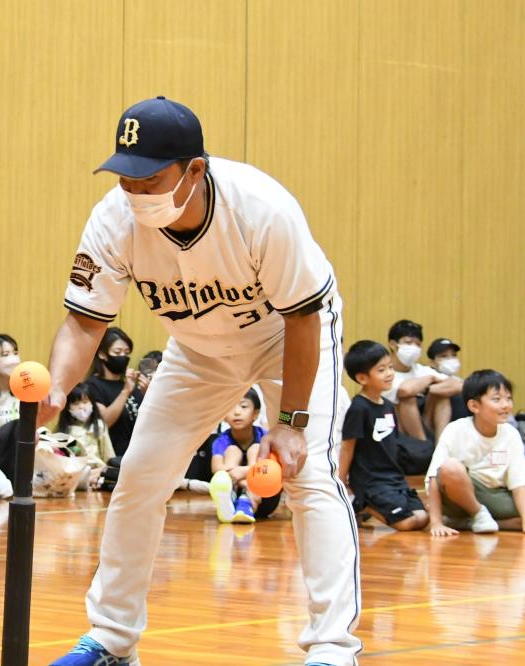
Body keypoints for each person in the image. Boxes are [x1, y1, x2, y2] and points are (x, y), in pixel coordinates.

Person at [43, 97, 360, 666]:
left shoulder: (262, 209)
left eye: (150, 178)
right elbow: (85, 321)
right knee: (139, 475)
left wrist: (289, 422)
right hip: (197, 350)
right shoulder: (114, 220)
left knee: (309, 476)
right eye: (125, 178)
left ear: (195, 168)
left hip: (289, 338)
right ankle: (113, 641)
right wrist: (58, 390)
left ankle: (333, 648)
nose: (135, 193)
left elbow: (303, 315)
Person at [339, 341, 428, 532]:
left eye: (390, 367)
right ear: (362, 378)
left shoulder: (388, 406)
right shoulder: (358, 408)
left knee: (422, 518)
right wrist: (340, 482)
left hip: (394, 478)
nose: (389, 373)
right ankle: (360, 503)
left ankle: (363, 507)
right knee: (407, 523)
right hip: (370, 481)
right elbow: (348, 446)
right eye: (381, 370)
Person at [425, 370, 523, 536]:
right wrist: (435, 522)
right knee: (450, 467)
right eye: (497, 399)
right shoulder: (456, 430)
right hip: (460, 496)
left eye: (508, 398)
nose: (506, 405)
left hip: (496, 495)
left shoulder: (511, 434)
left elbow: (519, 483)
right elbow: (434, 478)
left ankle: (468, 523)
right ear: (474, 406)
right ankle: (478, 514)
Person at [384, 320, 462, 453]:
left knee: (441, 395)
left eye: (418, 344)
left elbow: (458, 385)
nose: (413, 347)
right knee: (407, 398)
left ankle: (440, 449)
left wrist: (430, 389)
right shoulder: (384, 372)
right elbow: (405, 390)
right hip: (396, 427)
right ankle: (423, 449)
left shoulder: (420, 370)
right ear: (392, 344)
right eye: (408, 343)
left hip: (424, 422)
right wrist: (431, 379)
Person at [207, 388, 281, 524]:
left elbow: (273, 469)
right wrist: (245, 483)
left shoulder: (265, 437)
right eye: (231, 407)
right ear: (223, 415)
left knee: (256, 448)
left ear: (256, 414)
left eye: (243, 406)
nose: (236, 412)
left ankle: (246, 502)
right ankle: (235, 504)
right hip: (236, 491)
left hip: (263, 497)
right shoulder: (221, 441)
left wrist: (245, 471)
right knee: (232, 450)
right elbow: (216, 469)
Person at [85, 327, 147, 458]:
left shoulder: (130, 386)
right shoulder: (92, 386)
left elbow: (148, 421)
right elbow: (104, 423)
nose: (123, 357)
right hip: (112, 460)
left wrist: (148, 393)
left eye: (126, 353)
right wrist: (125, 392)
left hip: (138, 457)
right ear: (102, 354)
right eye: (117, 352)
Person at [57, 382, 115, 472]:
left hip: (97, 470)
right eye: (76, 404)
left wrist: (110, 470)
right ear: (68, 407)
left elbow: (108, 453)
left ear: (92, 403)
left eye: (85, 402)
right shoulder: (66, 430)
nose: (81, 407)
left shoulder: (99, 426)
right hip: (76, 472)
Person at [427, 337, 471, 421]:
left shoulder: (457, 379)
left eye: (454, 355)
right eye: (444, 356)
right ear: (432, 363)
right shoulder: (429, 376)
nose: (450, 359)